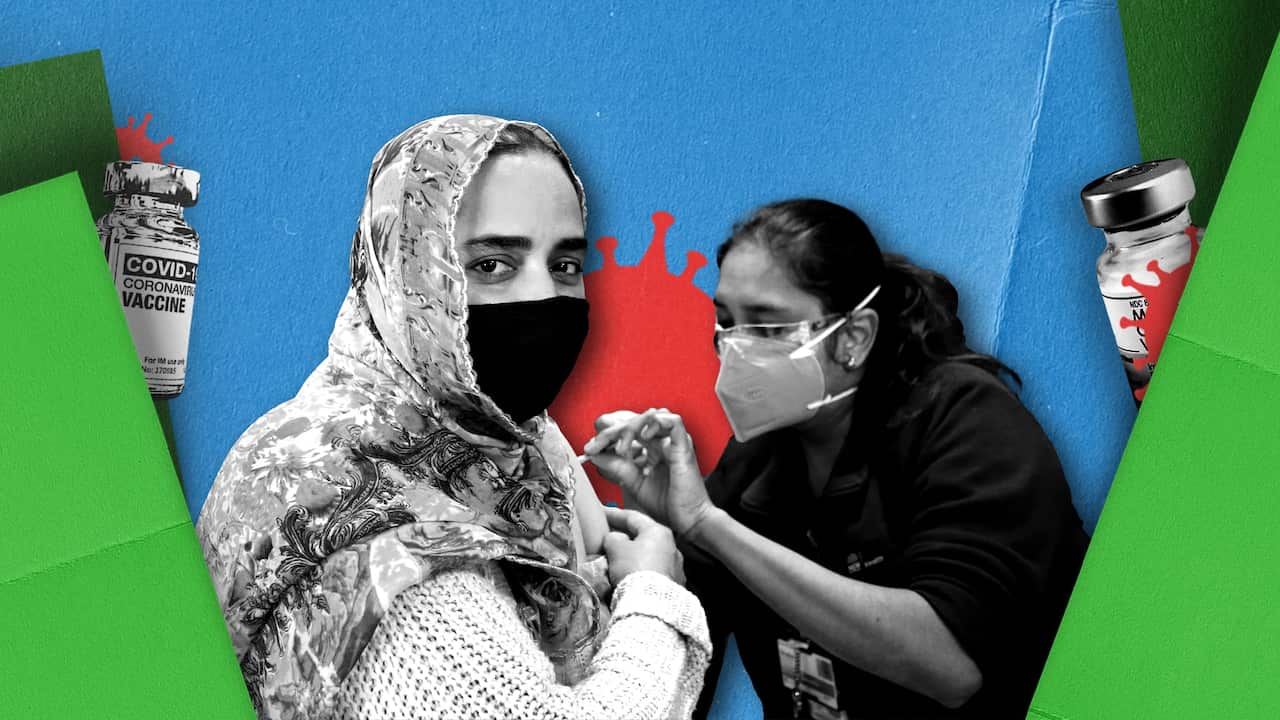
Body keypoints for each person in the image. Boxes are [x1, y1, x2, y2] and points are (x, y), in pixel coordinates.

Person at [197, 115, 709, 720]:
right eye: (492, 264)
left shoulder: (498, 435)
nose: (540, 300)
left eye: (566, 265)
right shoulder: (382, 552)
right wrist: (657, 597)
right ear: (408, 277)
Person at [585, 199, 1089, 719]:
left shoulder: (968, 420)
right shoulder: (759, 457)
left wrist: (707, 526)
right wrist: (664, 533)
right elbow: (681, 667)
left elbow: (951, 666)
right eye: (727, 322)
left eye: (768, 325)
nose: (736, 349)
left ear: (853, 338)